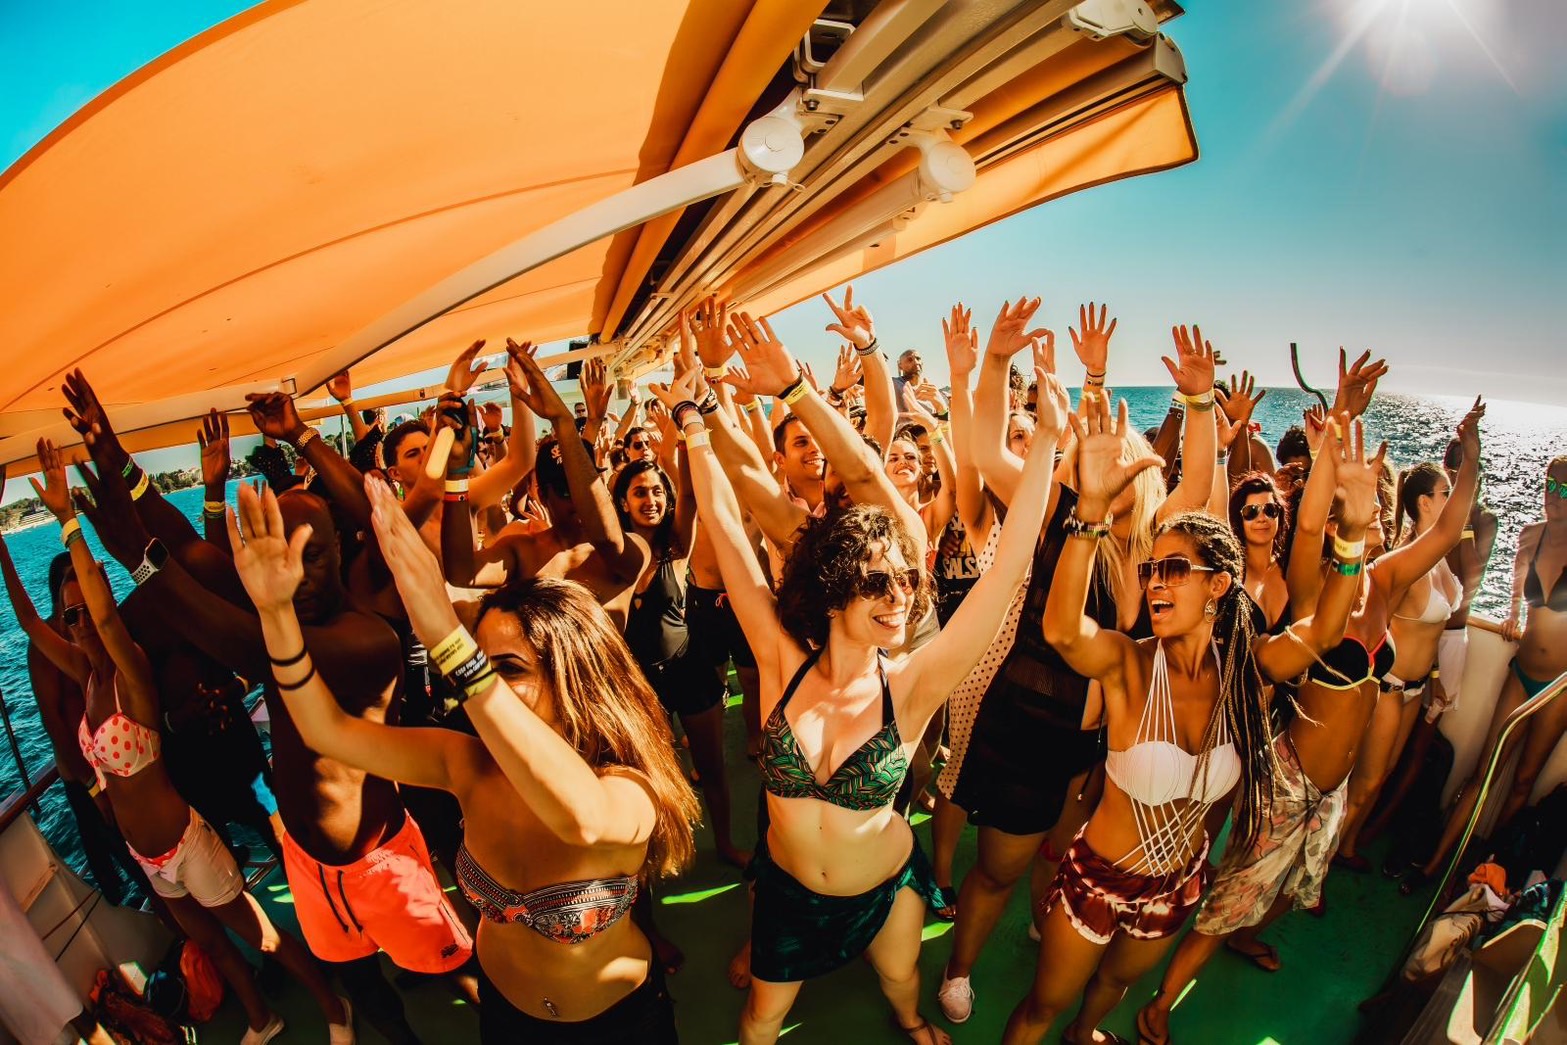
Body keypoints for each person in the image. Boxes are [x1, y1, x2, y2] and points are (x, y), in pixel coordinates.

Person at [666, 298, 1067, 1045]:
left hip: (885, 889)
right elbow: (723, 521)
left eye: (906, 582)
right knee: (760, 1020)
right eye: (877, 582)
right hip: (789, 894)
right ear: (832, 589)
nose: (900, 596)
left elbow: (1012, 561)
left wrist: (1044, 439)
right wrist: (693, 421)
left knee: (900, 980)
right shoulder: (778, 658)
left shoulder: (912, 684)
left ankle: (909, 1021)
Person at [67, 380, 473, 1044]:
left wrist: (137, 559)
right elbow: (188, 546)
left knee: (460, 972)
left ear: (341, 550)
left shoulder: (364, 639)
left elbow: (246, 642)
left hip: (380, 858)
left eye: (312, 554)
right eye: (280, 554)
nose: (295, 572)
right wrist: (117, 460)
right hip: (309, 863)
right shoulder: (277, 601)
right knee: (363, 986)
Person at [228, 476, 699, 1043]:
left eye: (509, 669)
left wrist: (451, 641)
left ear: (572, 676)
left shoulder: (626, 786)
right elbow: (326, 730)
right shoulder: (467, 764)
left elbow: (582, 821)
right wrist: (276, 614)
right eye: (482, 665)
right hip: (504, 1018)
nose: (480, 688)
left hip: (620, 1026)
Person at [998, 393, 1375, 1045]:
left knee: (1112, 988)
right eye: (1152, 570)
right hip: (1099, 879)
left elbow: (1325, 629)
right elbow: (1061, 630)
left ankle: (1084, 1035)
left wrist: (1354, 532)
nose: (1155, 583)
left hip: (1178, 882)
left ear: (1218, 586)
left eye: (1174, 570)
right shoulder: (1128, 664)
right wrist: (1089, 513)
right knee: (1041, 1005)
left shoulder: (1248, 671)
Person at [1139, 396, 1484, 1044]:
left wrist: (1470, 454)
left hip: (1332, 790)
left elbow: (1446, 533)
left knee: (1290, 891)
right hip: (1289, 781)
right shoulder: (1311, 587)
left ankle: (1245, 935)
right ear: (1333, 522)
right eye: (1357, 509)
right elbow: (1301, 529)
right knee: (1227, 902)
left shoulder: (1385, 581)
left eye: (1375, 508)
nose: (1373, 515)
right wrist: (1330, 450)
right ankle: (1158, 1005)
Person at [939, 311, 1219, 1024]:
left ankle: (1052, 928)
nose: (1109, 469)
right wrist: (994, 364)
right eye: (1099, 457)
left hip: (1102, 752)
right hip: (1026, 729)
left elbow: (1199, 480)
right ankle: (959, 969)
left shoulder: (1155, 552)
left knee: (1060, 859)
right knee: (998, 868)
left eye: (1122, 461)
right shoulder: (1057, 512)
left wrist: (1198, 400)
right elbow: (983, 451)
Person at [26, 437, 348, 1045]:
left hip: (232, 751)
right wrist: (160, 734)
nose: (82, 609)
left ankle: (332, 945)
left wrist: (206, 490)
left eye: (87, 590)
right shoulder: (104, 646)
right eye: (71, 607)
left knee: (285, 844)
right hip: (184, 774)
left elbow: (207, 577)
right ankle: (272, 984)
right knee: (227, 894)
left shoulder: (152, 607)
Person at [1405, 453, 1567, 893]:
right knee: (1485, 771)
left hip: (1558, 687)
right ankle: (1434, 866)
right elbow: (1518, 592)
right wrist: (1512, 615)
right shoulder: (1531, 535)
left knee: (1523, 784)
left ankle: (1481, 877)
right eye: (1550, 485)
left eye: (1565, 489)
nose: (1554, 496)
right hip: (1522, 671)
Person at [440, 342, 648, 631]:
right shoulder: (524, 551)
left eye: (585, 486)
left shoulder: (630, 548)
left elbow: (605, 538)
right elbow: (461, 572)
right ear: (542, 494)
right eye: (566, 491)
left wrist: (564, 422)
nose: (579, 501)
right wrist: (456, 472)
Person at [612, 455, 747, 868]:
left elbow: (688, 495)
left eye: (657, 491)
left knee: (712, 767)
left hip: (690, 670)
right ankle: (657, 855)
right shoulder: (612, 555)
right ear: (623, 502)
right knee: (651, 775)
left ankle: (725, 844)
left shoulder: (677, 546)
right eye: (639, 492)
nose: (650, 500)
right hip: (639, 683)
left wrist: (687, 434)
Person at [1333, 460, 1467, 870]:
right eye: (1446, 494)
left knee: (1386, 773)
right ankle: (1320, 866)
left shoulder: (1440, 560)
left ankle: (1346, 848)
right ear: (1424, 503)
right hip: (1388, 687)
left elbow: (1436, 628)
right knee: (1366, 781)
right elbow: (1374, 625)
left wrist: (1436, 676)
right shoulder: (1405, 562)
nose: (1451, 501)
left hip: (1416, 688)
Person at [1228, 473, 1291, 631]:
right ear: (1238, 519)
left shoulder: (1291, 568)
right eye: (1251, 512)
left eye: (1270, 510)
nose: (1262, 518)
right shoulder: (1232, 575)